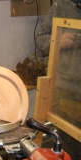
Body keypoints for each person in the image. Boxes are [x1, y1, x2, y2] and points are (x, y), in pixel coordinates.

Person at [35, 0, 81, 159]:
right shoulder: (61, 5)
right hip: (64, 90)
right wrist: (58, 41)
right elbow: (40, 37)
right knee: (64, 147)